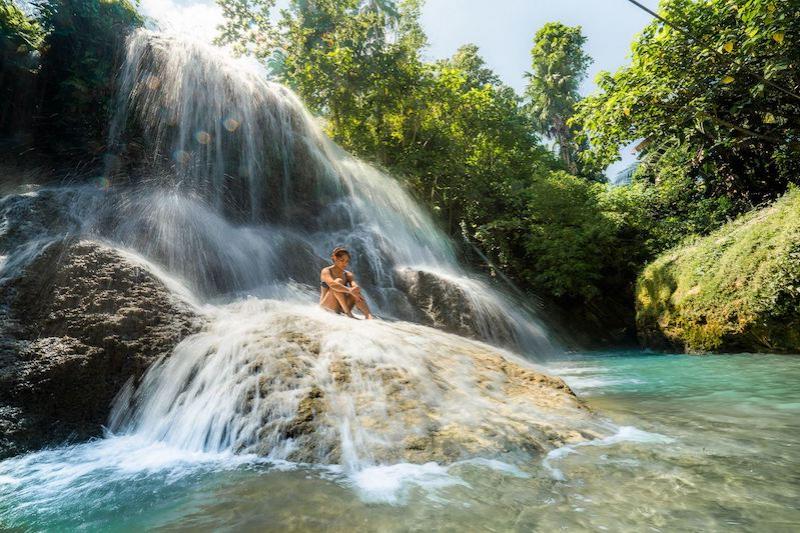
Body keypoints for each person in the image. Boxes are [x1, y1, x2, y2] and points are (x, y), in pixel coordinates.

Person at [319, 247, 374, 319]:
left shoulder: (348, 274)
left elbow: (354, 286)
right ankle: (348, 313)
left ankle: (369, 316)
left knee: (355, 290)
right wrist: (349, 290)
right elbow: (332, 284)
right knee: (338, 281)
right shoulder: (326, 271)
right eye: (342, 260)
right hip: (328, 307)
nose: (345, 264)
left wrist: (355, 288)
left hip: (340, 308)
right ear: (335, 258)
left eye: (347, 261)